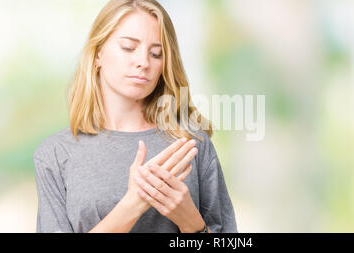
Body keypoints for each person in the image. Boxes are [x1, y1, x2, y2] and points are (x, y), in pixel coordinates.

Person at [33, 0, 237, 233]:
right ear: (98, 53)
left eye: (156, 54)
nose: (143, 62)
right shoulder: (56, 155)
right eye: (129, 47)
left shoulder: (191, 145)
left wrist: (191, 222)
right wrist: (133, 205)